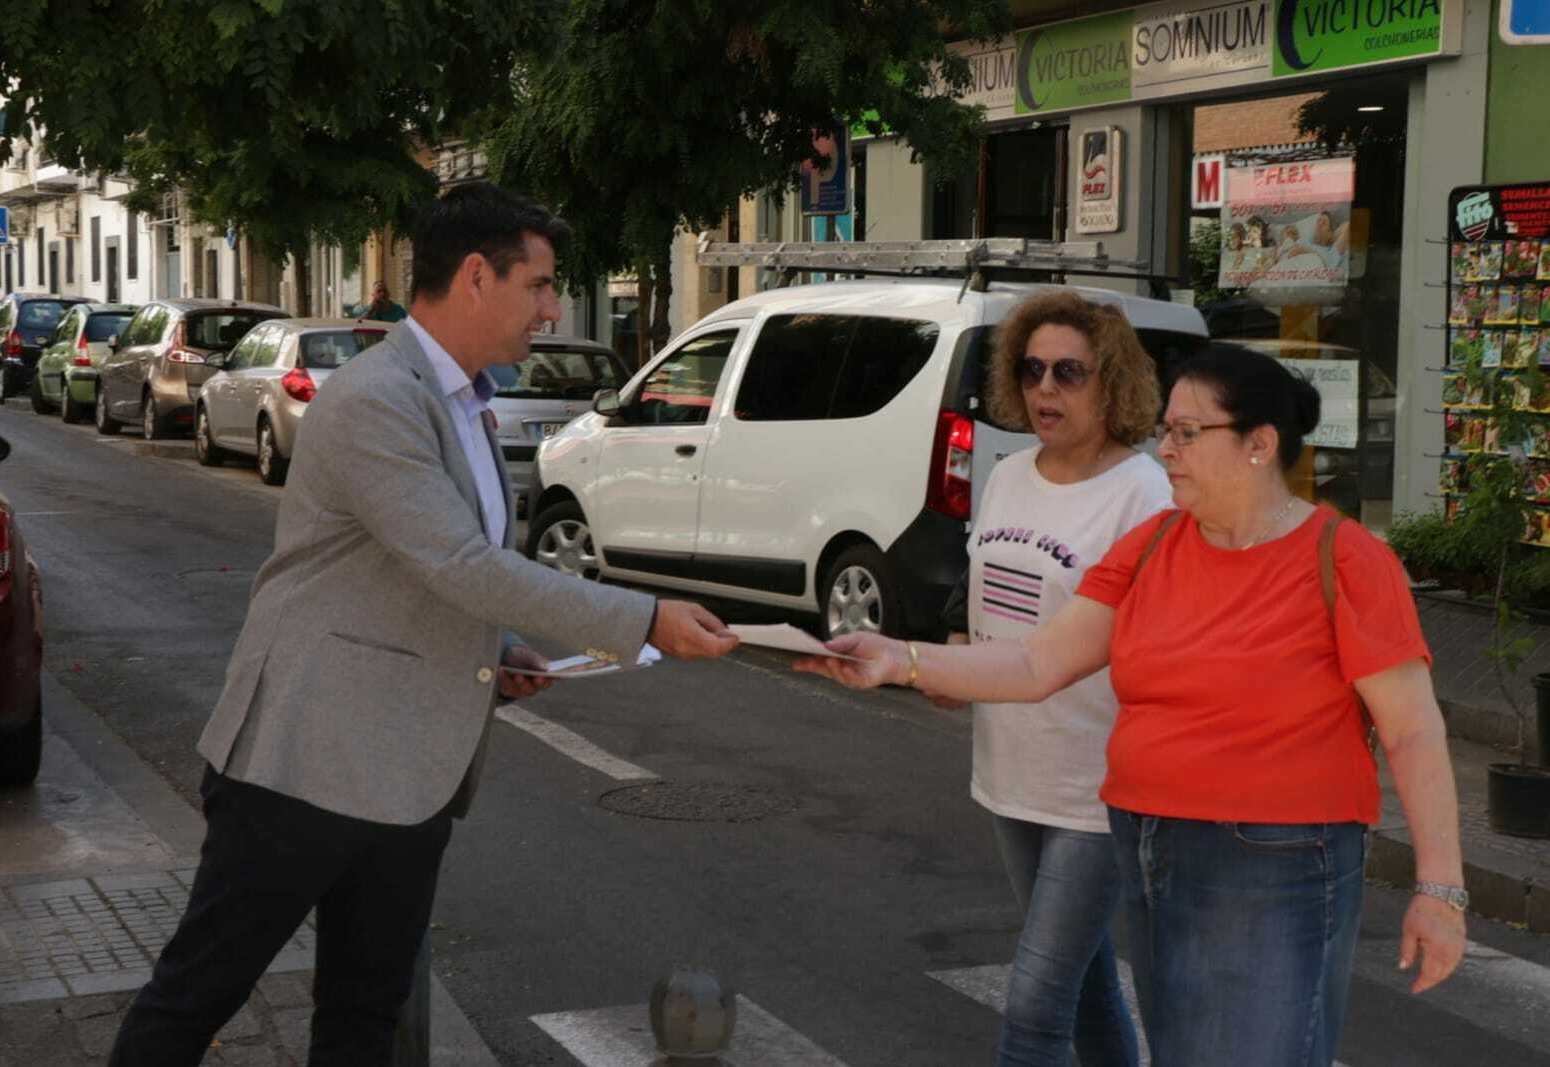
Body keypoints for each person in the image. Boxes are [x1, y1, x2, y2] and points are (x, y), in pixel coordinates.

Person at [108, 182, 739, 1066]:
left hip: (410, 777)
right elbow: (462, 564)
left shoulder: (467, 400)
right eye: (541, 284)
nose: (552, 307)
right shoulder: (378, 397)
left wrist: (499, 649)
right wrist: (642, 618)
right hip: (304, 759)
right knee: (197, 994)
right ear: (477, 276)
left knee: (365, 1016)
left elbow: (436, 581)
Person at [797, 345, 1467, 1067]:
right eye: (1164, 430)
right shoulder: (1152, 547)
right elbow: (1036, 659)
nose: (1163, 449)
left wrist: (1441, 888)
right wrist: (905, 658)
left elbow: (1413, 729)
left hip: (1278, 862)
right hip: (1150, 840)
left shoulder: (1347, 559)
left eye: (1185, 432)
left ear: (1259, 444)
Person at [938, 292, 1168, 1067]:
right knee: (1087, 978)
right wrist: (954, 654)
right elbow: (982, 602)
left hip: (1095, 785)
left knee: (1036, 1006)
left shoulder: (1143, 493)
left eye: (1069, 372)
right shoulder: (1007, 476)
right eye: (1031, 369)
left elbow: (1153, 638)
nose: (1045, 390)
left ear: (1112, 383)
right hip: (1008, 765)